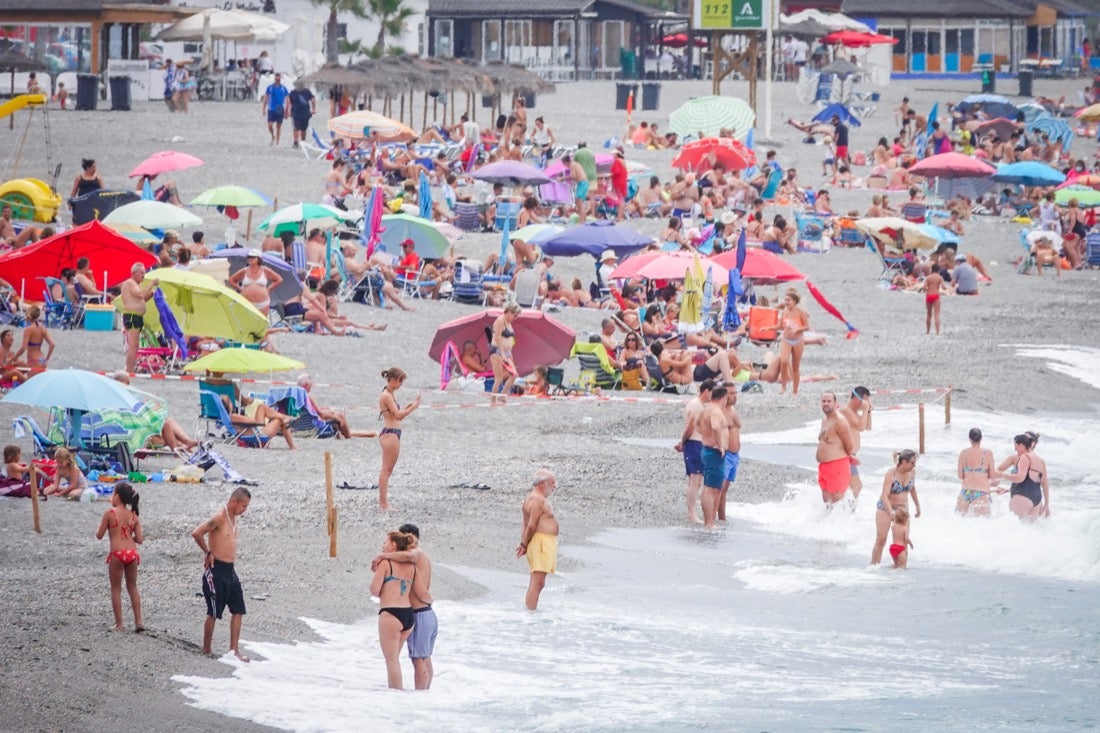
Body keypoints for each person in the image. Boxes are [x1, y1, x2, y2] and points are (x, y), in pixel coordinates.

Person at [372, 522, 436, 690]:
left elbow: (375, 590)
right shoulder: (419, 560)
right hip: (421, 612)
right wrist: (428, 599)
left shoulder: (415, 554)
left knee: (415, 660)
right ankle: (425, 694)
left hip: (418, 612)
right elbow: (422, 591)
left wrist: (382, 556)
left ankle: (417, 694)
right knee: (424, 658)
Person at [193, 487, 252, 662]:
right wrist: (207, 552)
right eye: (243, 506)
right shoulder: (220, 517)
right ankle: (206, 649)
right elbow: (197, 533)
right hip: (216, 569)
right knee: (214, 611)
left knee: (238, 609)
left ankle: (234, 650)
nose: (244, 510)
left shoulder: (233, 519)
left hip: (230, 570)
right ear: (234, 501)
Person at [369, 530, 417, 689]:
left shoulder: (385, 564)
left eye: (385, 542)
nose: (383, 545)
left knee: (391, 661)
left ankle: (396, 695)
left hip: (391, 613)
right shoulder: (411, 566)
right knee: (394, 659)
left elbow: (374, 590)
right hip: (408, 615)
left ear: (393, 545)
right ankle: (394, 692)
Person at [95, 482, 144, 632]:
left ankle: (119, 624)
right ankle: (139, 622)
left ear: (117, 496)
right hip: (132, 553)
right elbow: (140, 539)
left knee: (116, 588)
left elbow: (99, 535)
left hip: (117, 553)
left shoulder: (110, 513)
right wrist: (129, 537)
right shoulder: (134, 516)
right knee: (132, 587)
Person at [377, 367, 420, 512]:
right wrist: (413, 408)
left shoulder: (389, 394)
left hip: (392, 433)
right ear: (393, 380)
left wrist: (407, 407)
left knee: (387, 469)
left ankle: (383, 503)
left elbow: (395, 413)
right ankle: (383, 504)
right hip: (390, 433)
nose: (401, 384)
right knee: (386, 469)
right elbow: (398, 416)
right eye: (400, 381)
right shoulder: (386, 396)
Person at [517, 468, 559, 611]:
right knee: (537, 582)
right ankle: (531, 613)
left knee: (538, 582)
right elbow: (530, 525)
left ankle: (530, 611)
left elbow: (525, 523)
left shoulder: (531, 498)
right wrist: (524, 544)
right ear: (542, 483)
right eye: (552, 483)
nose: (555, 486)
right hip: (541, 542)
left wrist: (524, 543)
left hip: (542, 542)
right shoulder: (537, 500)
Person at [871, 450, 921, 565]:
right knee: (881, 539)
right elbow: (884, 496)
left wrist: (917, 506)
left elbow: (913, 489)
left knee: (903, 541)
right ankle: (873, 566)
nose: (914, 465)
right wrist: (891, 513)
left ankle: (901, 569)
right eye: (912, 463)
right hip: (886, 508)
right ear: (904, 462)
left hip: (902, 510)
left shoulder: (912, 472)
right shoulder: (891, 474)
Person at [676, 379, 715, 524]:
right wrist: (682, 443)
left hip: (696, 443)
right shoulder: (696, 406)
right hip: (694, 443)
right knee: (696, 480)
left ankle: (692, 512)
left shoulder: (699, 405)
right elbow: (689, 428)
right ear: (707, 391)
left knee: (694, 480)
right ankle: (691, 514)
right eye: (712, 393)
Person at [295, 373, 377, 438]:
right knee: (339, 417)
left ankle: (365, 433)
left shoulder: (293, 395)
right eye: (310, 385)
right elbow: (321, 414)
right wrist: (334, 415)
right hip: (311, 428)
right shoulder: (307, 396)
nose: (311, 387)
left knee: (335, 416)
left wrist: (331, 413)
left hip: (298, 427)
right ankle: (349, 437)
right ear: (306, 385)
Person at [695, 383, 731, 528]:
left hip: (709, 449)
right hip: (714, 451)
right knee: (710, 488)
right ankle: (709, 522)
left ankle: (710, 520)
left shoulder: (706, 409)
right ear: (724, 397)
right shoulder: (715, 410)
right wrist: (719, 444)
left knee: (715, 487)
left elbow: (698, 425)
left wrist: (706, 437)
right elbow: (716, 427)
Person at [116, 264, 159, 373]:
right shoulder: (130, 283)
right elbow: (140, 295)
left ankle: (130, 369)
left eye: (144, 273)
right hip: (132, 316)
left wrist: (152, 294)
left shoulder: (136, 285)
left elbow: (141, 300)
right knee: (133, 346)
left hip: (136, 316)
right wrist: (152, 284)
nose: (143, 275)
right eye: (141, 273)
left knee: (135, 346)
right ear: (133, 273)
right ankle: (129, 370)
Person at [816, 392, 855, 506]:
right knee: (826, 500)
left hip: (837, 465)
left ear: (835, 403)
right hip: (824, 467)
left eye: (829, 401)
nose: (826, 403)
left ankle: (851, 514)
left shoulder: (840, 421)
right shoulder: (825, 420)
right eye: (824, 401)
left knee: (838, 500)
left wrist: (848, 456)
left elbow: (850, 445)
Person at [1005, 433, 1050, 521]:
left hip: (1021, 495)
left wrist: (1002, 475)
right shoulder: (1040, 461)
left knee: (1015, 526)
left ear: (1033, 443)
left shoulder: (1022, 458)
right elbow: (1041, 483)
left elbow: (1021, 479)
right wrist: (1046, 503)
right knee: (1030, 528)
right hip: (1036, 498)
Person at [839, 386, 873, 499]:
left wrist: (868, 411)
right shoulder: (845, 411)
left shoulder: (854, 413)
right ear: (856, 398)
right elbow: (861, 426)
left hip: (851, 455)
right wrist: (865, 409)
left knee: (851, 487)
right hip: (845, 454)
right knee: (856, 486)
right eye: (865, 401)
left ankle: (844, 507)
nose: (866, 403)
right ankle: (847, 508)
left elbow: (868, 427)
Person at [228, 249, 282, 316]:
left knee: (262, 321)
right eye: (249, 257)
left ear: (258, 259)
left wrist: (268, 289)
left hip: (263, 303)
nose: (250, 259)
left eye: (253, 257)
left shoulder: (265, 270)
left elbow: (279, 279)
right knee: (247, 321)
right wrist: (240, 289)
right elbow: (231, 280)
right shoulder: (245, 270)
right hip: (247, 303)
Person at [956, 427, 996, 516]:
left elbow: (960, 475)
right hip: (981, 492)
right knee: (982, 523)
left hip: (966, 492)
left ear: (969, 439)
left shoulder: (963, 453)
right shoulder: (988, 453)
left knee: (959, 521)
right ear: (981, 438)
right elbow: (992, 475)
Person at [777, 289, 808, 395]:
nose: (786, 302)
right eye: (785, 300)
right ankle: (783, 386)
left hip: (798, 340)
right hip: (786, 339)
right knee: (784, 361)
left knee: (795, 366)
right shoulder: (784, 312)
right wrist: (768, 328)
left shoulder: (801, 312)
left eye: (788, 300)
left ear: (794, 301)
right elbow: (780, 326)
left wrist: (798, 329)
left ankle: (795, 390)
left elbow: (806, 326)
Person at [718, 385, 742, 523]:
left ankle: (722, 518)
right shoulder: (720, 411)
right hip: (725, 454)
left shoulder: (732, 410)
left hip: (734, 455)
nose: (735, 396)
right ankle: (716, 518)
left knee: (725, 490)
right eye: (731, 393)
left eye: (735, 393)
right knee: (719, 489)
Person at [489, 304, 521, 404]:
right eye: (515, 315)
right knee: (498, 377)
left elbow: (509, 338)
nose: (515, 318)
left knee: (514, 374)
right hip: (497, 351)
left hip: (507, 352)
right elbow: (497, 338)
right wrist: (502, 353)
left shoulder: (508, 322)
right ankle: (493, 400)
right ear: (509, 312)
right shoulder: (500, 321)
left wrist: (509, 353)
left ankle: (503, 394)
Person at [261, 72, 290, 146]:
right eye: (276, 77)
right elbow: (266, 98)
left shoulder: (283, 88)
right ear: (274, 78)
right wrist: (263, 108)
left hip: (280, 108)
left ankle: (277, 141)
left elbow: (288, 99)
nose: (277, 78)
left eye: (278, 77)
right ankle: (273, 137)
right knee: (270, 125)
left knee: (278, 126)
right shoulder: (270, 87)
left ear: (280, 78)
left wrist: (287, 110)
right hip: (271, 108)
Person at [288, 78, 316, 149]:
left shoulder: (307, 91)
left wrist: (313, 109)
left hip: (305, 113)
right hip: (296, 113)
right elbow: (289, 102)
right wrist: (289, 111)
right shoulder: (293, 92)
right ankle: (296, 142)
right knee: (296, 128)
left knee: (303, 129)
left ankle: (302, 142)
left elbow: (312, 99)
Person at [920, 265, 946, 335]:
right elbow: (944, 287)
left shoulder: (928, 278)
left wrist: (927, 289)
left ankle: (928, 331)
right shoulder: (939, 277)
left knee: (929, 314)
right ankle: (937, 332)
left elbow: (924, 287)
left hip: (929, 295)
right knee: (936, 315)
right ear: (938, 270)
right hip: (936, 295)